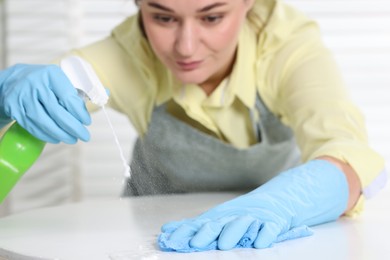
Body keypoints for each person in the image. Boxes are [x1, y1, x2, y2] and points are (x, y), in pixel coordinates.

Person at [0, 0, 386, 252]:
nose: (186, 47)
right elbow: (55, 87)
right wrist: (6, 97)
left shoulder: (285, 46)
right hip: (148, 243)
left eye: (212, 17)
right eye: (163, 17)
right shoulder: (129, 53)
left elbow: (349, 155)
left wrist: (284, 203)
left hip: (264, 243)